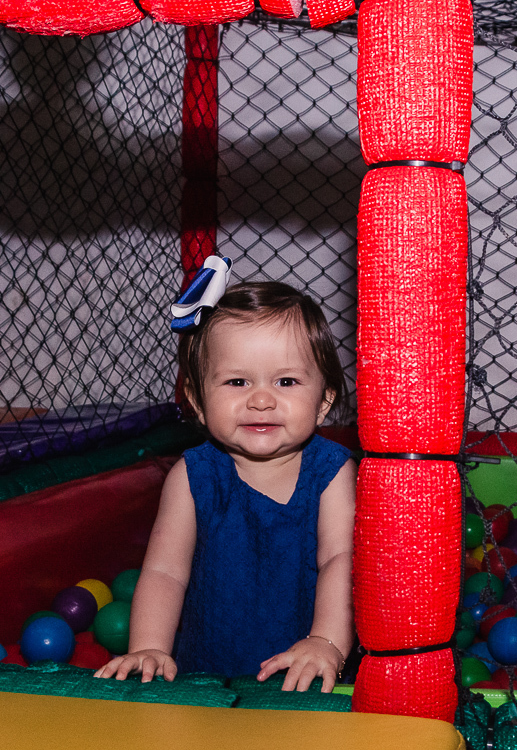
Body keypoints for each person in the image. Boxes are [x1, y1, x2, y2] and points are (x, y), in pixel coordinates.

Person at [95, 259, 357, 693]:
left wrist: (326, 641)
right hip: (205, 675)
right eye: (237, 382)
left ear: (324, 401)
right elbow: (164, 571)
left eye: (287, 382)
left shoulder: (332, 473)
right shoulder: (192, 476)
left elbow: (340, 560)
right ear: (198, 402)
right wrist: (150, 647)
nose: (260, 400)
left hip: (308, 678)